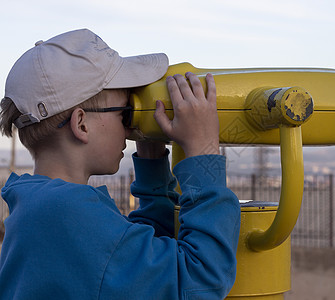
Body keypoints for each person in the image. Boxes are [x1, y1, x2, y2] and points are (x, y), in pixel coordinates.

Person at [0, 29, 240, 299]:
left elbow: (131, 262)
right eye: (125, 113)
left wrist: (151, 159)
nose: (129, 129)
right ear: (81, 124)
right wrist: (203, 151)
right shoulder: (68, 213)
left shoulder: (39, 207)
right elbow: (201, 278)